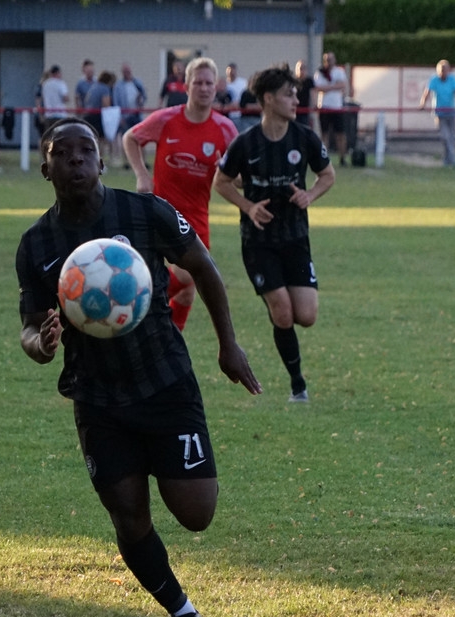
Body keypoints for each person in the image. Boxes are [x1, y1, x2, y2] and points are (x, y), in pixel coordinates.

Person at [17, 117, 261, 617]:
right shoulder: (36, 244)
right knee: (128, 516)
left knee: (196, 514)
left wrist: (228, 344)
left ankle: (166, 458)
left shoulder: (144, 212)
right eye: (63, 153)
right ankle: (182, 613)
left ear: (103, 162)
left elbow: (204, 266)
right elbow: (31, 328)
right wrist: (43, 343)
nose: (76, 160)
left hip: (165, 383)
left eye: (87, 151)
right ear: (46, 167)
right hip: (98, 397)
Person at [215, 64, 336, 402]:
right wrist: (248, 206)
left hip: (296, 238)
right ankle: (298, 384)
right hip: (259, 242)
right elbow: (221, 182)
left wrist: (309, 195)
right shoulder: (246, 143)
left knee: (307, 317)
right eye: (288, 93)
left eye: (295, 93)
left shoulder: (304, 137)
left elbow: (328, 175)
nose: (295, 98)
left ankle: (277, 298)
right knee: (283, 313)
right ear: (268, 99)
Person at [123, 57, 238, 332]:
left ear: (216, 88)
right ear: (186, 85)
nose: (204, 88)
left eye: (209, 83)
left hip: (197, 216)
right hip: (161, 212)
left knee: (187, 287)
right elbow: (131, 138)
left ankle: (153, 323)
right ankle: (143, 309)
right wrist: (142, 174)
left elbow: (239, 174)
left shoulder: (225, 129)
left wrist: (241, 178)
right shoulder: (166, 119)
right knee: (187, 277)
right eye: (198, 82)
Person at [419, 59, 455, 168]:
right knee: (445, 136)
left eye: (444, 70)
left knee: (451, 137)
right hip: (439, 113)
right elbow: (427, 92)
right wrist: (422, 104)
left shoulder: (452, 79)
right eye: (441, 70)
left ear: (448, 70)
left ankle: (448, 160)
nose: (442, 72)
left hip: (451, 111)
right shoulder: (434, 79)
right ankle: (453, 160)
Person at [313, 52, 349, 166]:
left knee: (341, 134)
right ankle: (324, 158)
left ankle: (342, 158)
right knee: (324, 134)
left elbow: (342, 85)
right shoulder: (320, 73)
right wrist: (334, 86)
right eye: (327, 59)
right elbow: (318, 87)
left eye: (331, 59)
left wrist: (328, 87)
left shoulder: (339, 72)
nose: (329, 62)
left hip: (337, 107)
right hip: (324, 107)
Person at [83, 70, 115, 163]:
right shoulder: (104, 88)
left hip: (88, 115)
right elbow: (106, 104)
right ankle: (99, 162)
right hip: (97, 116)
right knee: (101, 140)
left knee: (91, 139)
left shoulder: (93, 86)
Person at [113, 62, 146, 133]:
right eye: (125, 71)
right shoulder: (118, 86)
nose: (127, 73)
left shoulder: (137, 83)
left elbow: (144, 96)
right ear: (122, 73)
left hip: (137, 116)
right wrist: (120, 118)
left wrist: (140, 100)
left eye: (128, 71)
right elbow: (116, 103)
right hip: (125, 117)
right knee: (126, 137)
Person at [224, 62, 248, 128]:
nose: (231, 72)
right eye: (229, 70)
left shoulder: (243, 83)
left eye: (233, 69)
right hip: (227, 115)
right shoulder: (224, 84)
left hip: (240, 115)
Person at [294, 60, 315, 128]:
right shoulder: (293, 82)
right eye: (300, 68)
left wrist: (312, 108)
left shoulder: (309, 81)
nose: (301, 71)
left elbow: (312, 94)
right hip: (294, 110)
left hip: (305, 111)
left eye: (303, 68)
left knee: (305, 129)